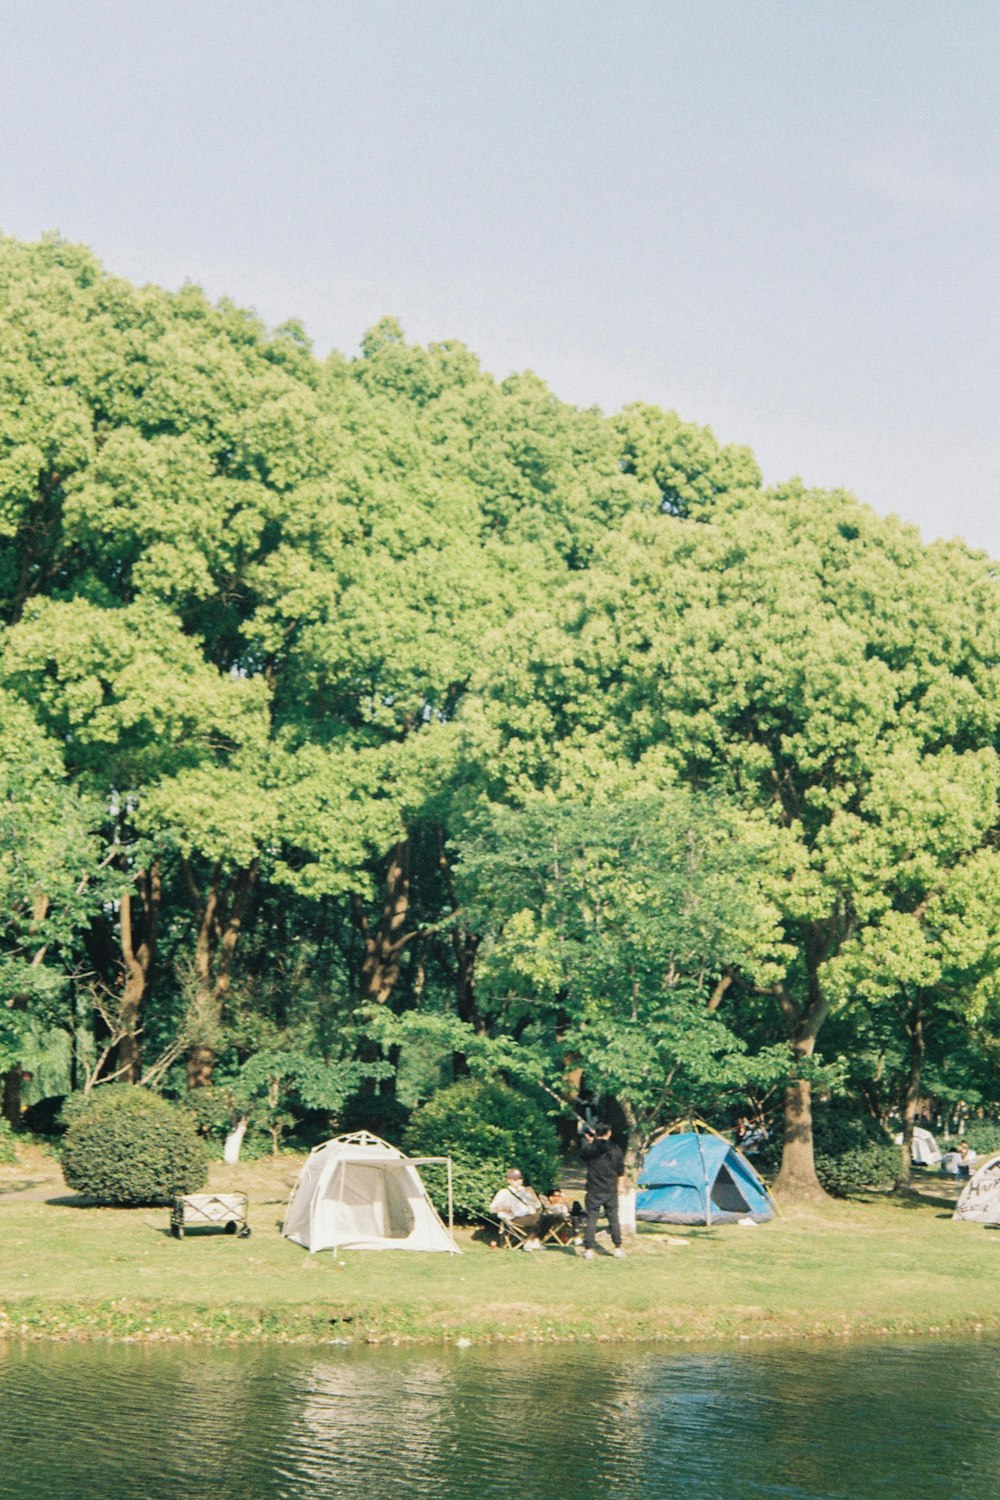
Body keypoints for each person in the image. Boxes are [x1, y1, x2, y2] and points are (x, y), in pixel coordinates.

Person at [488, 1168, 567, 1250]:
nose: (518, 1181)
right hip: (514, 1218)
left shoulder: (524, 1191)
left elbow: (537, 1205)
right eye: (515, 1179)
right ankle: (528, 1241)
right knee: (538, 1217)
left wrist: (532, 1196)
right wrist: (504, 1208)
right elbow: (491, 1209)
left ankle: (537, 1240)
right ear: (509, 1180)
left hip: (529, 1215)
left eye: (520, 1179)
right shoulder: (503, 1193)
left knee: (551, 1216)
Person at [580, 1122, 626, 1260]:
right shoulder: (616, 1149)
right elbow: (621, 1171)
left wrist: (590, 1141)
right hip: (610, 1189)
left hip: (594, 1189)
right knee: (613, 1219)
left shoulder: (590, 1149)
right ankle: (617, 1247)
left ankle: (588, 1249)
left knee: (591, 1220)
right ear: (609, 1133)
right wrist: (620, 1186)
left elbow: (583, 1156)